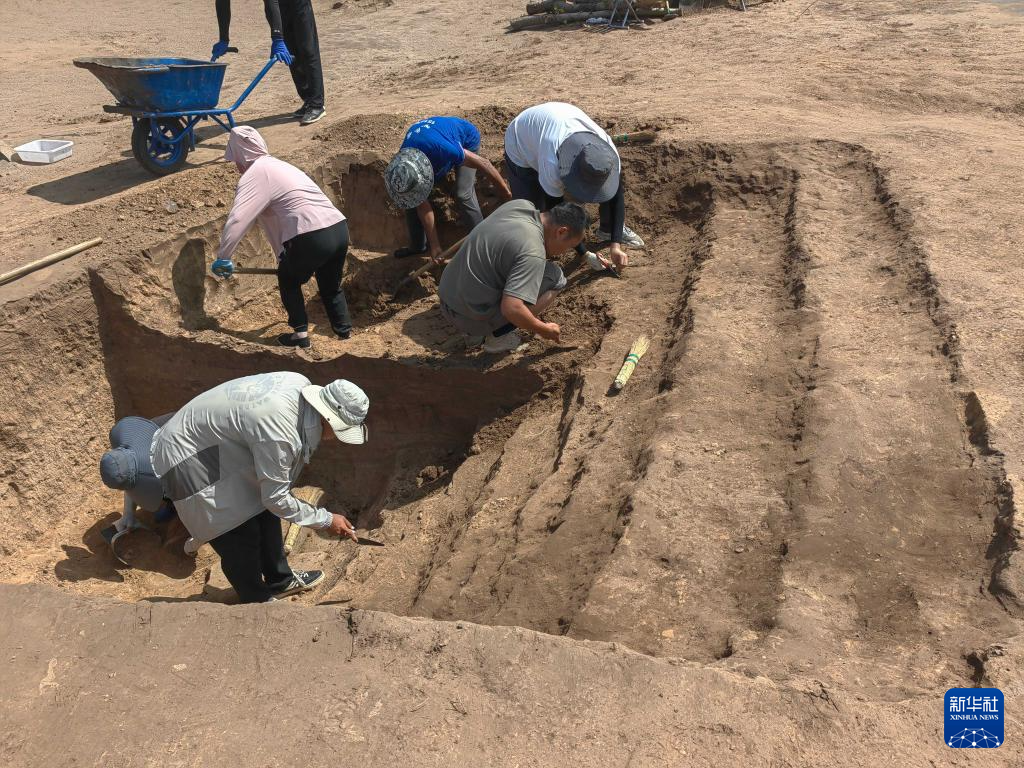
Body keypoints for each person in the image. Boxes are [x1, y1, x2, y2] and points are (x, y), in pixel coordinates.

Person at [151, 372, 370, 604]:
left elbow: (272, 497)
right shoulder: (280, 433)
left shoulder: (298, 385)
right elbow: (276, 498)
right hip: (184, 452)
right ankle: (255, 600)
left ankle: (280, 580)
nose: (336, 437)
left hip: (214, 440)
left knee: (262, 508)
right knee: (236, 529)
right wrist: (325, 520)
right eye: (341, 429)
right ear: (328, 418)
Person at [212, 126, 352, 349]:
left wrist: (224, 256)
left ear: (240, 155)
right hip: (338, 228)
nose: (236, 165)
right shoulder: (281, 166)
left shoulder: (256, 173)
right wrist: (284, 256)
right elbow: (282, 219)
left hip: (312, 235)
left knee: (288, 280)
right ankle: (344, 334)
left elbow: (239, 218)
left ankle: (300, 336)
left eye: (235, 158)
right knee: (331, 286)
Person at [503, 102, 644, 274]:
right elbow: (557, 213)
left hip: (557, 120)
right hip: (521, 142)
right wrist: (585, 254)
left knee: (605, 188)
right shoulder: (552, 164)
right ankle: (529, 257)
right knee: (533, 212)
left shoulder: (609, 154)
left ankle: (607, 230)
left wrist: (616, 245)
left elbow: (616, 195)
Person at [437, 199, 588, 354]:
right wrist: (543, 329)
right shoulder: (533, 251)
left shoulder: (520, 205)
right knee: (556, 277)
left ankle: (473, 333)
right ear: (561, 232)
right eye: (569, 246)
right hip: (467, 316)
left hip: (447, 299)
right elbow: (512, 309)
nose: (565, 252)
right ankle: (498, 337)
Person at [384, 117, 512, 261]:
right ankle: (418, 246)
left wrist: (506, 194)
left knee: (463, 193)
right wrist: (435, 246)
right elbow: (422, 206)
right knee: (410, 199)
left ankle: (483, 246)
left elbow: (484, 163)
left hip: (465, 140)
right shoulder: (402, 162)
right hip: (434, 145)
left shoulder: (443, 148)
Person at [211, 0, 326, 125]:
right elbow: (222, 3)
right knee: (290, 50)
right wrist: (224, 38)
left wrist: (277, 38)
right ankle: (308, 100)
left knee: (307, 48)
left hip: (298, 3)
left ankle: (317, 105)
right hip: (278, 5)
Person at [98, 414, 177, 560]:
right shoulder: (137, 442)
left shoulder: (165, 453)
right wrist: (128, 515)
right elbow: (132, 473)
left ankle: (175, 508)